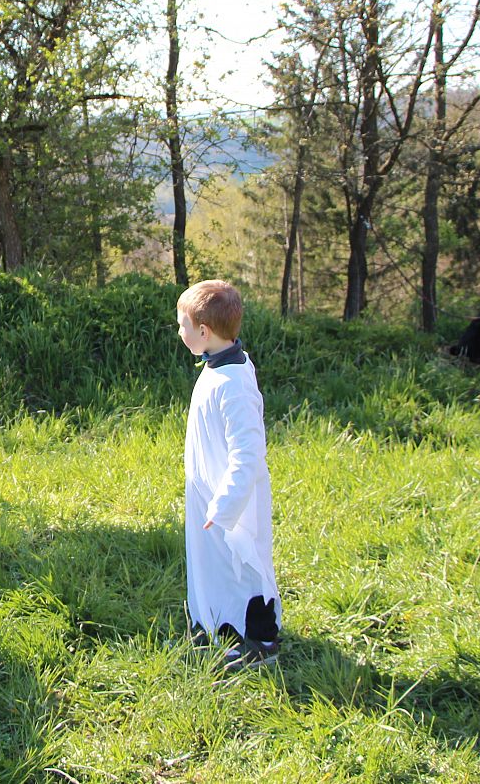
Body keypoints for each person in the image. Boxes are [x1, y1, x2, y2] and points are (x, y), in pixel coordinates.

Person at [175, 279, 281, 670]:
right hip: (211, 496)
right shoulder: (220, 364)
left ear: (204, 332)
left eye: (183, 325)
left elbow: (248, 453)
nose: (180, 332)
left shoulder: (233, 383)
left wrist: (226, 505)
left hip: (232, 503)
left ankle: (260, 644)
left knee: (243, 567)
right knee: (216, 568)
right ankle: (217, 631)